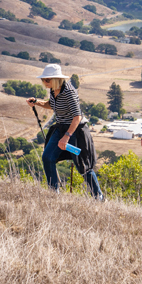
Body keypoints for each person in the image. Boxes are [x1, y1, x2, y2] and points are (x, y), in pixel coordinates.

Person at [26, 64, 103, 200]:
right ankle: (53, 193)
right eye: (43, 80)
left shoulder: (68, 91)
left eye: (47, 80)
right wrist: (37, 102)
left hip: (75, 132)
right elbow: (51, 104)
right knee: (47, 157)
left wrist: (67, 137)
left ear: (55, 79)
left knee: (82, 165)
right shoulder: (53, 90)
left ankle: (99, 197)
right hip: (60, 128)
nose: (44, 83)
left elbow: (77, 116)